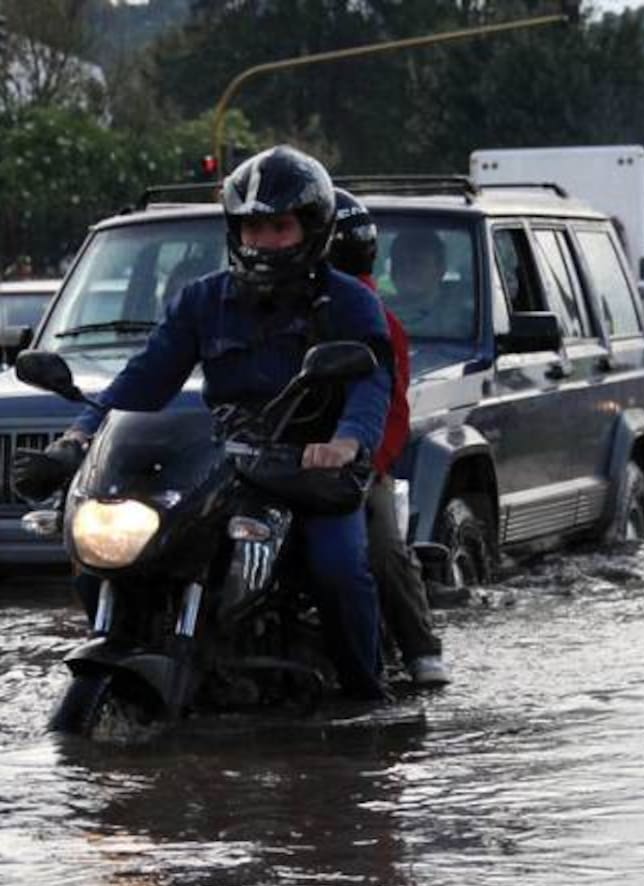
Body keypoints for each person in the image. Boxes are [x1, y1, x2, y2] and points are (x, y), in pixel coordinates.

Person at [14, 145, 395, 700]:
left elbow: (371, 381)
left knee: (337, 566)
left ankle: (367, 697)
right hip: (230, 458)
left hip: (309, 468)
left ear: (311, 231)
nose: (262, 241)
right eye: (251, 227)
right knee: (106, 554)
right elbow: (143, 381)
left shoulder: (347, 303)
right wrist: (80, 436)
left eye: (279, 227)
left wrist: (345, 441)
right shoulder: (203, 301)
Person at [328, 188, 449, 686]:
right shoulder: (260, 312)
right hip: (272, 460)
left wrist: (366, 460)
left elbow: (391, 407)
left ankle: (420, 648)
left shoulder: (374, 319)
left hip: (355, 464)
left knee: (379, 548)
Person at [388, 227, 473, 337]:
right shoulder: (375, 313)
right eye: (400, 262)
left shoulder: (465, 318)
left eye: (417, 262)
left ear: (440, 269)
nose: (407, 268)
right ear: (392, 272)